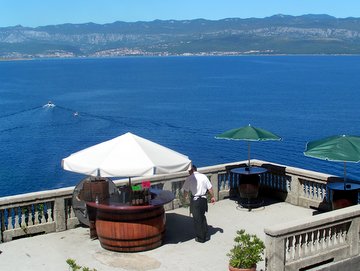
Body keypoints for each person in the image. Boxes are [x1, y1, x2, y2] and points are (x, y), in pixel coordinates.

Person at [182, 165, 216, 243]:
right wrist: (213, 197)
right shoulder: (204, 176)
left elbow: (185, 191)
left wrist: (184, 198)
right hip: (204, 200)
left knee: (197, 219)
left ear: (192, 170)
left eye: (189, 171)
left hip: (195, 200)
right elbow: (210, 188)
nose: (188, 173)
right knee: (202, 215)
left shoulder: (190, 178)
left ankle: (201, 238)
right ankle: (205, 232)